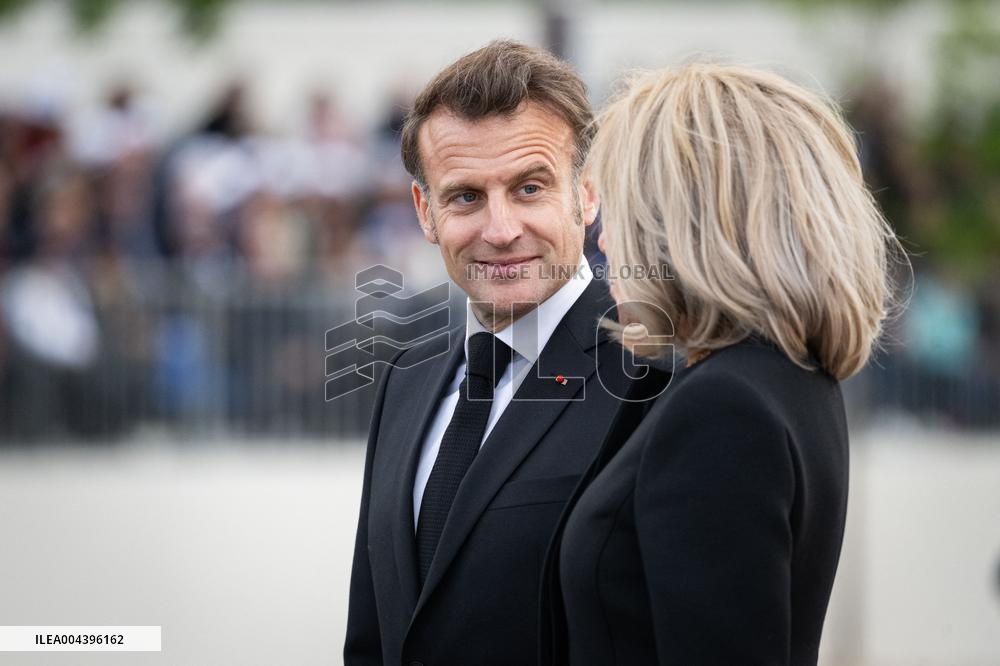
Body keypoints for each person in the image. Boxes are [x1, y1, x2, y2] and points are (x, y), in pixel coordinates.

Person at [540, 64, 904, 665]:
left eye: (619, 211)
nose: (600, 240)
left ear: (682, 221)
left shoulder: (724, 408)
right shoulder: (785, 380)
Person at [344, 41, 668, 666]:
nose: (500, 230)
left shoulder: (653, 377)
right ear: (425, 212)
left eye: (529, 188)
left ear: (587, 195)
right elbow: (374, 634)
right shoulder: (405, 381)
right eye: (466, 196)